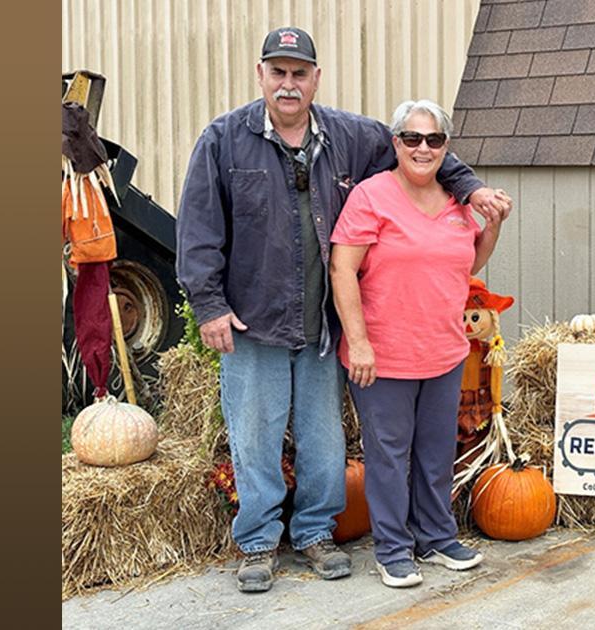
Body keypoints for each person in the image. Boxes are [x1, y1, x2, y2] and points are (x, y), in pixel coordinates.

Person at [175, 27, 512, 593]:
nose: (288, 84)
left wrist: (472, 188)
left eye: (299, 73)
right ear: (261, 75)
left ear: (315, 79)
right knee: (255, 435)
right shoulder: (223, 140)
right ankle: (257, 543)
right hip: (254, 318)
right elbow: (199, 228)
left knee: (324, 442)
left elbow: (422, 154)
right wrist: (208, 304)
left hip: (322, 327)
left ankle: (313, 534)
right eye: (277, 72)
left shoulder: (352, 136)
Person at [329, 99, 511, 588]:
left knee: (434, 452)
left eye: (434, 139)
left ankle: (436, 536)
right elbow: (342, 268)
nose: (423, 148)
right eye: (412, 138)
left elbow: (465, 265)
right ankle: (393, 549)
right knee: (389, 456)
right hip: (384, 354)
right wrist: (359, 342)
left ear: (446, 147)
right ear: (396, 144)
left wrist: (490, 227)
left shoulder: (457, 202)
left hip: (444, 351)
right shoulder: (371, 196)